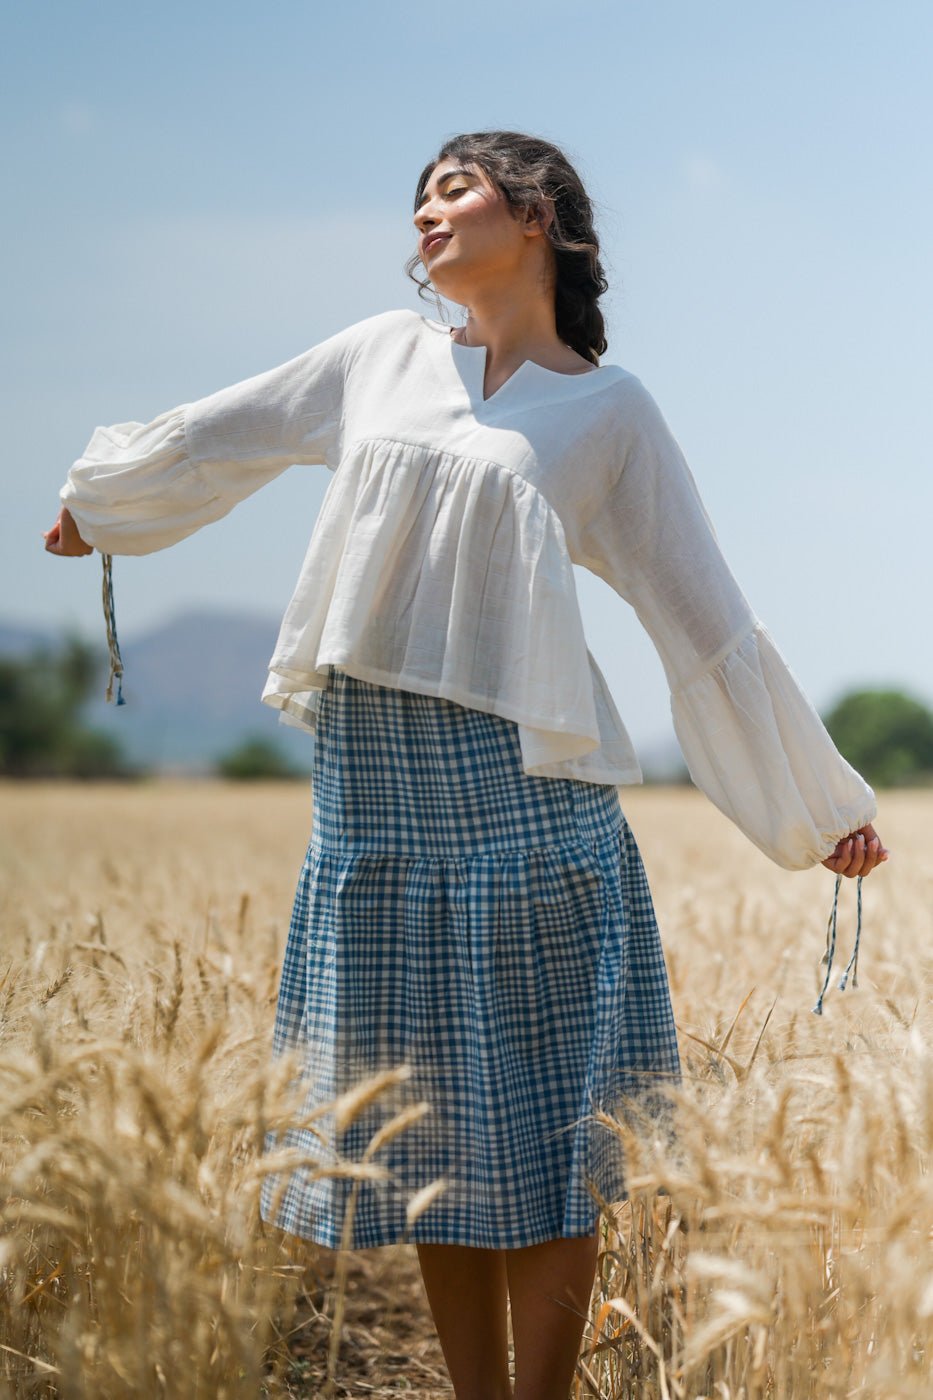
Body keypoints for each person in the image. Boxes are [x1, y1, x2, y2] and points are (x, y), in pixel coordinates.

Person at [45, 130, 888, 1400]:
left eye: (456, 187)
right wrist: (107, 499)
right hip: (375, 801)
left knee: (547, 1127)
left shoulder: (608, 411)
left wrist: (817, 807)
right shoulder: (378, 355)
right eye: (420, 197)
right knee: (432, 1120)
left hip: (528, 806)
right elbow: (231, 433)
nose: (427, 213)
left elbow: (703, 620)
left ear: (536, 214)